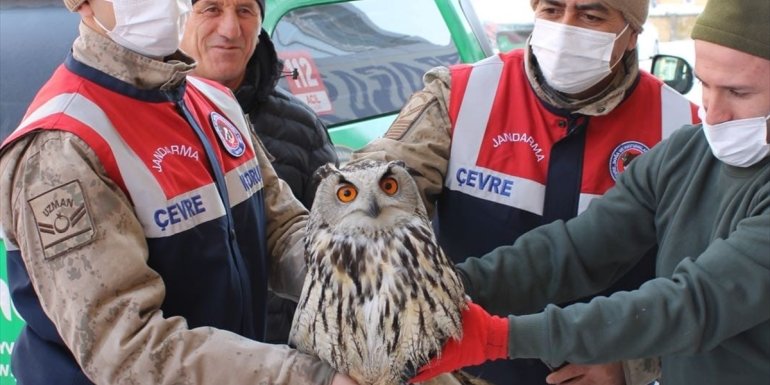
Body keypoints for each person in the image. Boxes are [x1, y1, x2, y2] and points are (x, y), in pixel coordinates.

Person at [410, 0, 770, 383]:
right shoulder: (685, 153)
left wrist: (500, 338)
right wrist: (440, 292)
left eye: (738, 93)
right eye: (705, 85)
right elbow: (579, 249)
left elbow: (692, 305)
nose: (713, 114)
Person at [0, 1, 356, 384]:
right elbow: (129, 348)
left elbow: (281, 231)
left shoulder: (215, 101)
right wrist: (309, 378)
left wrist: (373, 284)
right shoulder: (63, 146)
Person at [350, 0, 698, 384]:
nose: (566, 27)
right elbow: (373, 200)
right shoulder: (460, 95)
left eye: (591, 15)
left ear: (632, 33)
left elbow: (711, 289)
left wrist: (633, 363)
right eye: (552, 9)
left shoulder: (681, 126)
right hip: (459, 369)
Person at [179, 0, 339, 345]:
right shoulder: (142, 121)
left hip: (286, 358)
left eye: (245, 10)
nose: (230, 30)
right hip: (188, 358)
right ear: (178, 17)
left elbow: (332, 248)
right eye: (211, 9)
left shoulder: (302, 128)